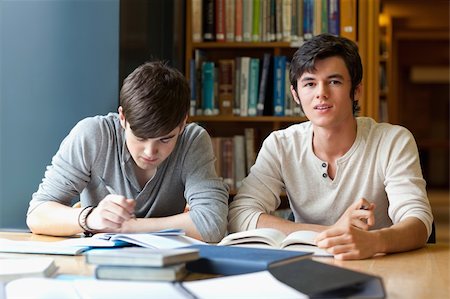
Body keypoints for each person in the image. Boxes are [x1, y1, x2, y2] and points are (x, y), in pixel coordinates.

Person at [228, 34, 433, 260]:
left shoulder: (393, 141)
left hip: (378, 263)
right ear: (295, 94)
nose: (321, 93)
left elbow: (419, 222)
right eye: (309, 83)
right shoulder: (280, 145)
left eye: (334, 81)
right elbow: (240, 214)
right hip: (306, 266)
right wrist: (334, 233)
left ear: (356, 91)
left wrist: (374, 242)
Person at [27, 61, 229, 243]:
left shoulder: (192, 140)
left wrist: (129, 227)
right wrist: (91, 218)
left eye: (165, 139)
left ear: (183, 123)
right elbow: (37, 213)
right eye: (140, 138)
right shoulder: (93, 135)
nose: (150, 151)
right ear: (123, 117)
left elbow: (213, 223)